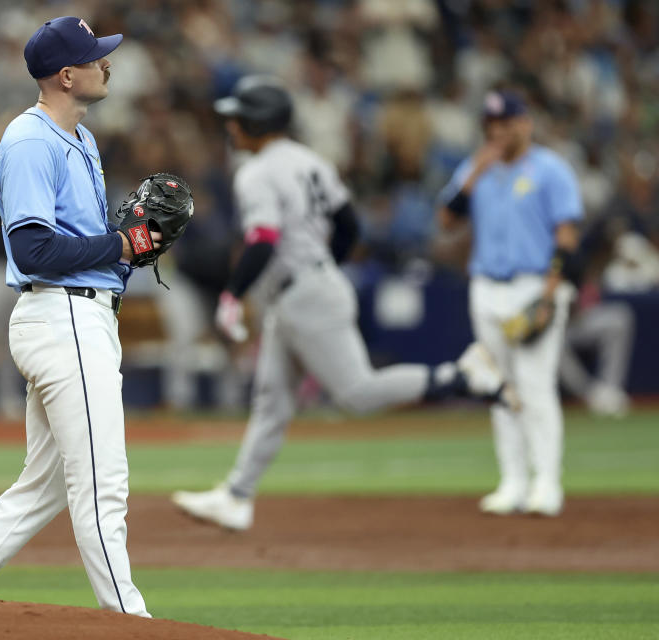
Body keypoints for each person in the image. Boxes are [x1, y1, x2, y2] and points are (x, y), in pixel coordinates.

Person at [171, 76, 512, 531]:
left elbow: (263, 240)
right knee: (272, 402)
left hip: (303, 294)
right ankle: (237, 496)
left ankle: (462, 375)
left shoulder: (256, 172)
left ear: (258, 121)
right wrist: (322, 267)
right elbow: (349, 224)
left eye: (238, 117)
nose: (230, 125)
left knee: (358, 393)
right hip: (307, 288)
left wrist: (233, 293)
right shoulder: (310, 161)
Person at [0, 17, 157, 617]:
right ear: (67, 76)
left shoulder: (81, 140)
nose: (105, 64)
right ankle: (131, 622)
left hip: (81, 317)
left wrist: (133, 250)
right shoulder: (31, 140)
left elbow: (89, 254)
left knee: (43, 486)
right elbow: (34, 250)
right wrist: (119, 244)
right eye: (94, 58)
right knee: (102, 488)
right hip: (61, 322)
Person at [437, 90, 583, 517]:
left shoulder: (551, 169)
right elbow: (446, 222)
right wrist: (473, 175)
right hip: (486, 286)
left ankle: (547, 483)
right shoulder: (475, 167)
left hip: (533, 284)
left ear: (526, 123)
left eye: (506, 122)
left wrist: (552, 291)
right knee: (498, 389)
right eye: (491, 123)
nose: (497, 130)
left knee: (535, 386)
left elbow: (567, 234)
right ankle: (513, 482)